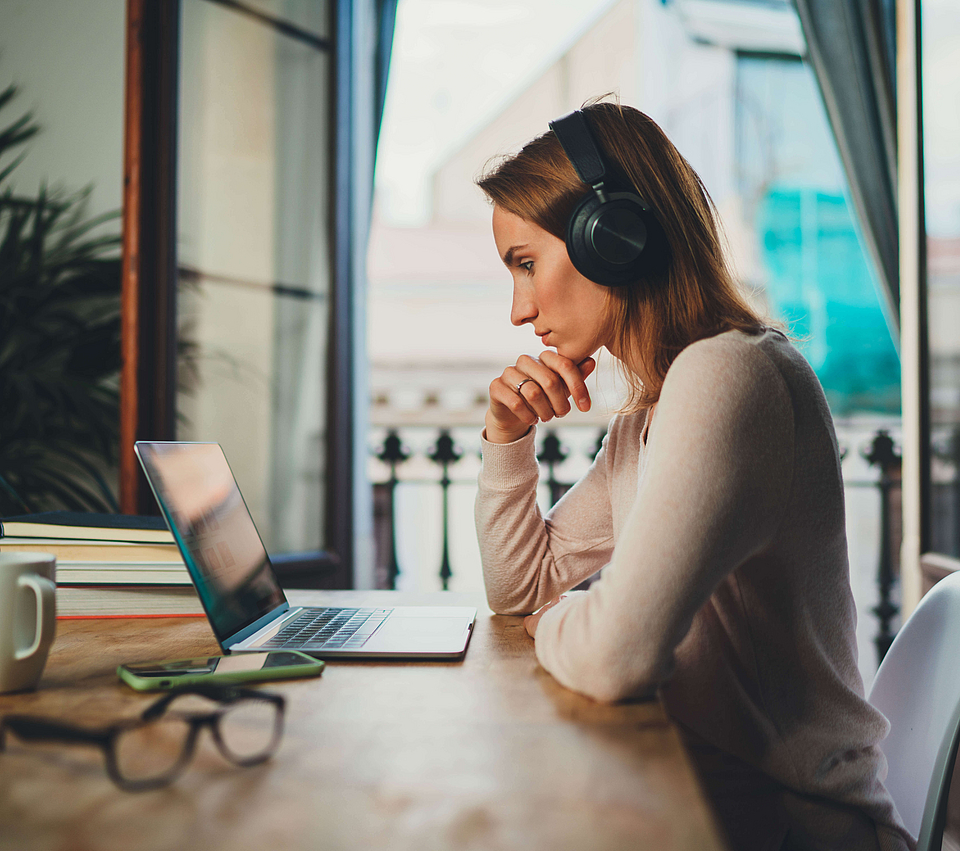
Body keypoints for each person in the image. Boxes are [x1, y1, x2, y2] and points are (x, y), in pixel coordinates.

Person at [473, 100, 914, 851]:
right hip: (713, 805)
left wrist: (556, 622)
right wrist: (506, 437)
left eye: (525, 263)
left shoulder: (731, 376)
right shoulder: (653, 415)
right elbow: (521, 587)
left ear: (614, 237)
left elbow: (613, 656)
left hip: (796, 827)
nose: (520, 311)